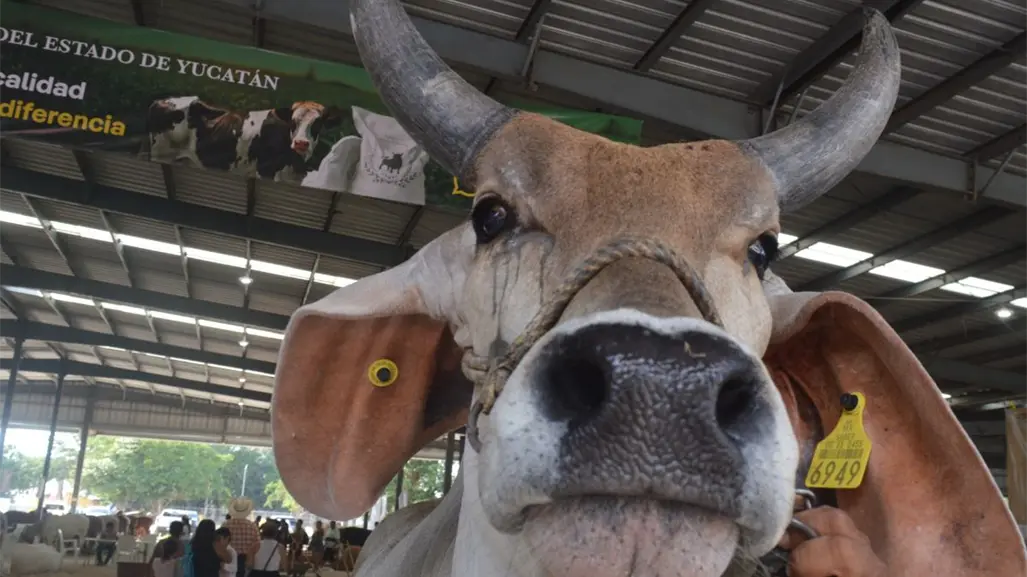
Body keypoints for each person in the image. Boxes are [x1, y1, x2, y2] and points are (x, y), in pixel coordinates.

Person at [223, 498, 259, 577]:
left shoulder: (226, 525)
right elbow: (257, 545)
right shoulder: (252, 526)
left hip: (229, 558)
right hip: (246, 559)